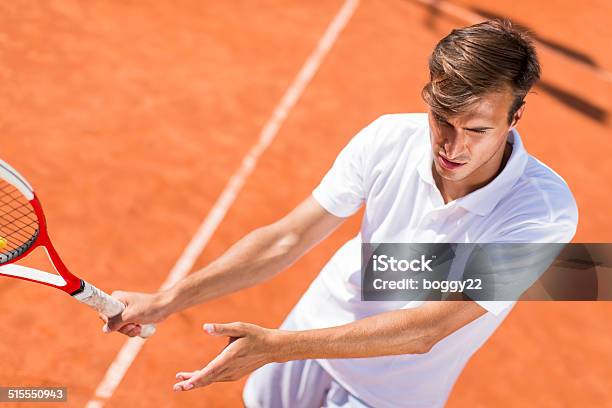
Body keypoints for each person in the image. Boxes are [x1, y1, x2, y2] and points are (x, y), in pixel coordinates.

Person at [102, 19, 578, 407]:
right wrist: (168, 300)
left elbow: (429, 328)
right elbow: (288, 237)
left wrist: (277, 347)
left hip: (387, 392)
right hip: (308, 332)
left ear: (515, 118)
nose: (452, 147)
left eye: (476, 129)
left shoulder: (543, 212)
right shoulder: (388, 137)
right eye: (441, 120)